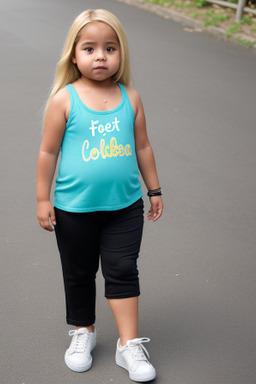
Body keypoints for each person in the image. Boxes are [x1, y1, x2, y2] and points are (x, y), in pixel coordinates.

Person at [36, 9, 163, 383]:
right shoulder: (64, 99)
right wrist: (43, 199)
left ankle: (128, 344)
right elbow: (47, 152)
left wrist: (153, 189)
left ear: (121, 53)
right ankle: (83, 332)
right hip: (73, 209)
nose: (100, 56)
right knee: (78, 272)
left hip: (124, 207)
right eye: (89, 48)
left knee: (123, 269)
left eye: (110, 48)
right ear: (73, 55)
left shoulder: (131, 97)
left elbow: (142, 146)